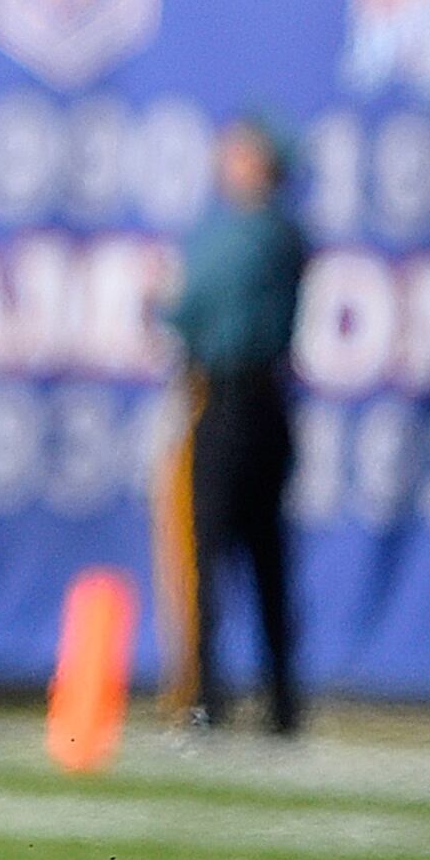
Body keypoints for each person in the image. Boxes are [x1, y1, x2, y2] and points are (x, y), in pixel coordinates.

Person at [160, 118, 309, 735]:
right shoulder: (280, 234)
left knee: (218, 555)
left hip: (228, 403)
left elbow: (189, 306)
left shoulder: (247, 235)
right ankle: (275, 700)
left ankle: (208, 697)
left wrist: (165, 302)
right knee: (262, 558)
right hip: (266, 406)